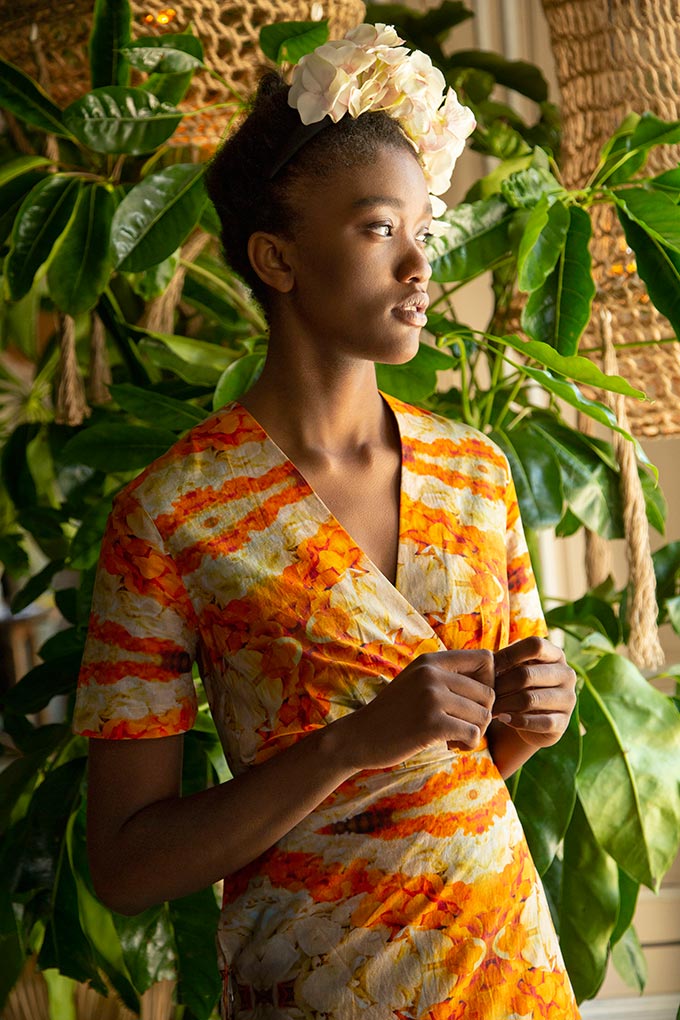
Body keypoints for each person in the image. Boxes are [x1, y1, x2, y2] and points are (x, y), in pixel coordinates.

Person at [74, 23, 580, 1020]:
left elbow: (463, 767)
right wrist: (351, 742)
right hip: (315, 987)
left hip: (504, 970)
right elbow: (126, 866)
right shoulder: (169, 516)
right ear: (277, 258)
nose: (417, 268)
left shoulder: (473, 471)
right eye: (376, 229)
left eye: (422, 231)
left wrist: (528, 722)